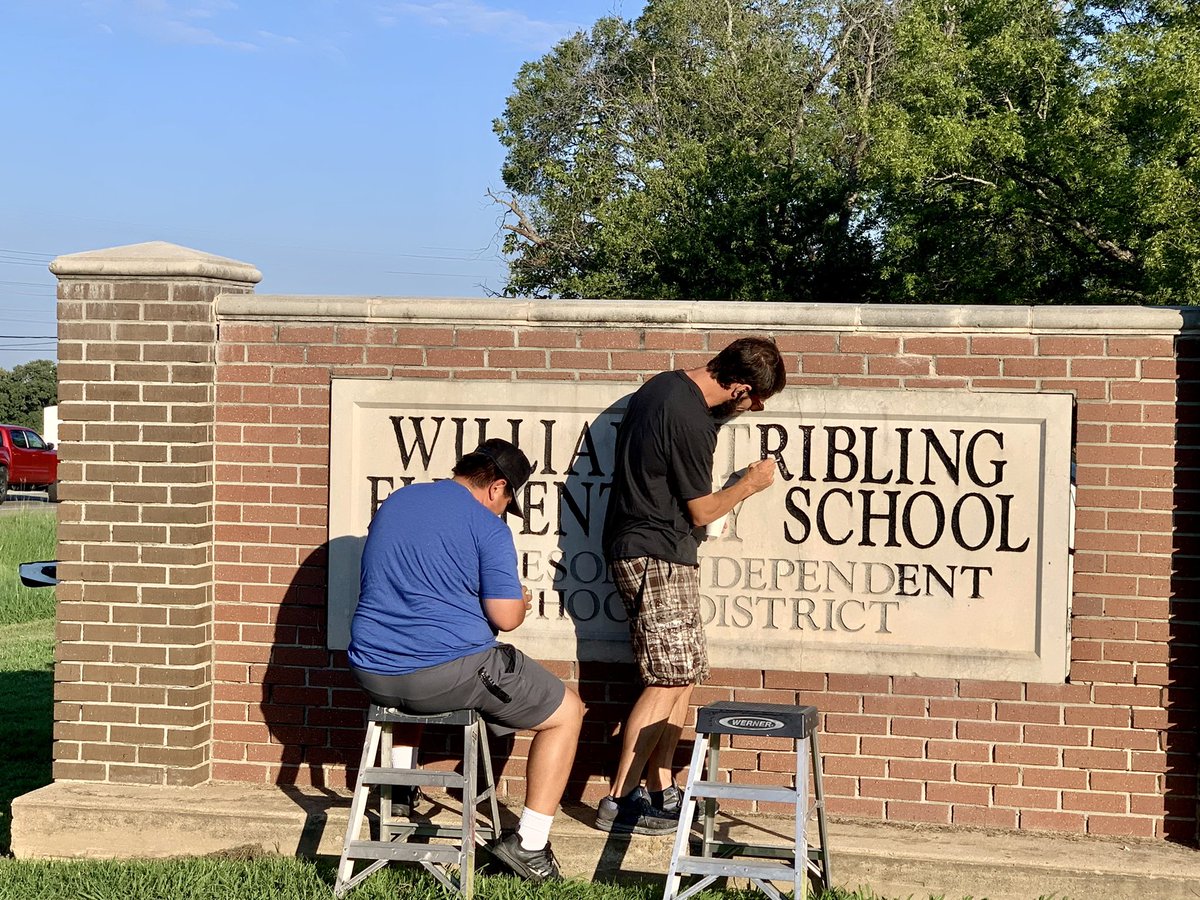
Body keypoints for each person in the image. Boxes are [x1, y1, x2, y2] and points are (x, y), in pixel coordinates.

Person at [348, 438, 585, 882]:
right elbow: (505, 617)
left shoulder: (399, 501)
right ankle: (530, 846)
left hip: (372, 670)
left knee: (418, 657)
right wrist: (522, 602)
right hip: (439, 673)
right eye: (507, 501)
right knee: (567, 711)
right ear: (496, 488)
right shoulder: (487, 526)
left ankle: (399, 792)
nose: (503, 511)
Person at [596, 337, 787, 834]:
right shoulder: (691, 422)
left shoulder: (663, 388)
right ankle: (619, 801)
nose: (756, 409)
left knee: (681, 673)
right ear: (740, 386)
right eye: (756, 399)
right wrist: (749, 483)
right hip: (658, 551)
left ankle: (661, 788)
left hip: (638, 543)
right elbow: (701, 510)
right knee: (667, 679)